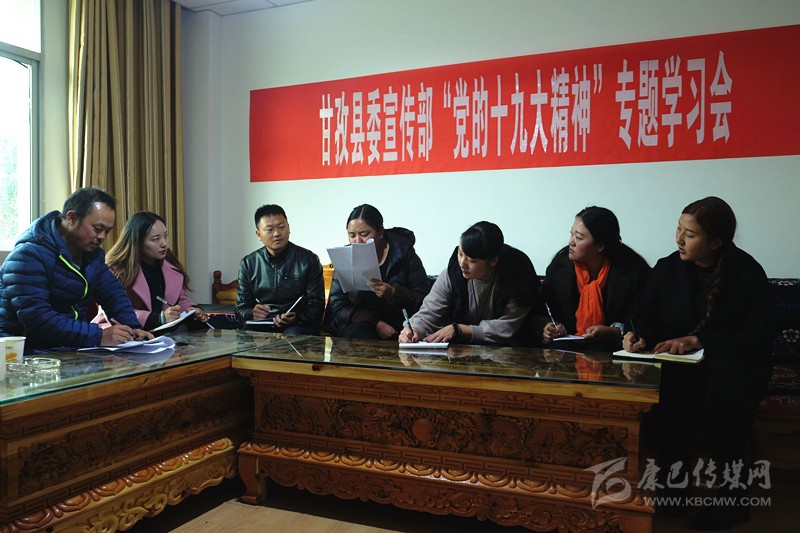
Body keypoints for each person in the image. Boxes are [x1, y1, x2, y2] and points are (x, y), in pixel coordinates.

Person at [622, 197, 774, 530]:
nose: (678, 239)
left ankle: (732, 501)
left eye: (689, 234)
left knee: (723, 397)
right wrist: (636, 335)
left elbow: (758, 337)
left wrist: (701, 341)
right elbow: (642, 313)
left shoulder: (746, 272)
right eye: (678, 229)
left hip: (735, 365)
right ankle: (673, 490)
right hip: (681, 366)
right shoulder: (668, 267)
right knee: (668, 396)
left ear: (716, 242)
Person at [0, 187, 152, 350]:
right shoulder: (28, 255)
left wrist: (132, 328)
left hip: (67, 348)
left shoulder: (92, 256)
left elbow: (112, 293)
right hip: (21, 353)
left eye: (107, 231)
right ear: (71, 218)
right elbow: (37, 319)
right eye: (97, 229)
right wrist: (99, 336)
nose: (102, 237)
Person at [399, 221, 541, 346]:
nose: (462, 263)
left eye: (472, 260)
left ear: (493, 261)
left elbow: (507, 328)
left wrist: (459, 329)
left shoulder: (517, 276)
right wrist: (415, 329)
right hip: (460, 351)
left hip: (510, 352)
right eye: (460, 254)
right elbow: (430, 311)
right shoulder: (453, 274)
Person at [541, 206, 650, 351]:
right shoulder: (560, 265)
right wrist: (548, 326)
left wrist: (615, 331)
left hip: (614, 346)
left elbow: (643, 318)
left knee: (599, 351)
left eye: (579, 237)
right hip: (568, 341)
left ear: (600, 246)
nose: (571, 242)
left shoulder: (633, 271)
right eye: (571, 234)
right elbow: (543, 308)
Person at [324, 204, 430, 340]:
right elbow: (338, 303)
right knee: (357, 335)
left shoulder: (404, 254)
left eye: (364, 234)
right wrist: (376, 323)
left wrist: (393, 293)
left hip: (401, 325)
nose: (357, 241)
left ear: (380, 232)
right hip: (361, 323)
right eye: (352, 235)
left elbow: (424, 300)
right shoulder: (346, 257)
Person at [93, 211, 207, 330]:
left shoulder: (170, 263)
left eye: (165, 236)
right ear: (138, 242)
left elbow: (180, 297)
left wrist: (191, 309)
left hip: (160, 332)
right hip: (118, 332)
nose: (164, 243)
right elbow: (116, 311)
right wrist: (158, 318)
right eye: (156, 239)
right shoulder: (117, 269)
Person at [236, 204, 324, 334]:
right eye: (270, 229)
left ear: (289, 228)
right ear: (258, 234)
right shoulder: (248, 264)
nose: (277, 233)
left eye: (281, 227)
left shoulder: (308, 260)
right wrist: (251, 313)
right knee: (246, 336)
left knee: (292, 335)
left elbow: (317, 304)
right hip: (262, 324)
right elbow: (240, 309)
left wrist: (297, 317)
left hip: (298, 324)